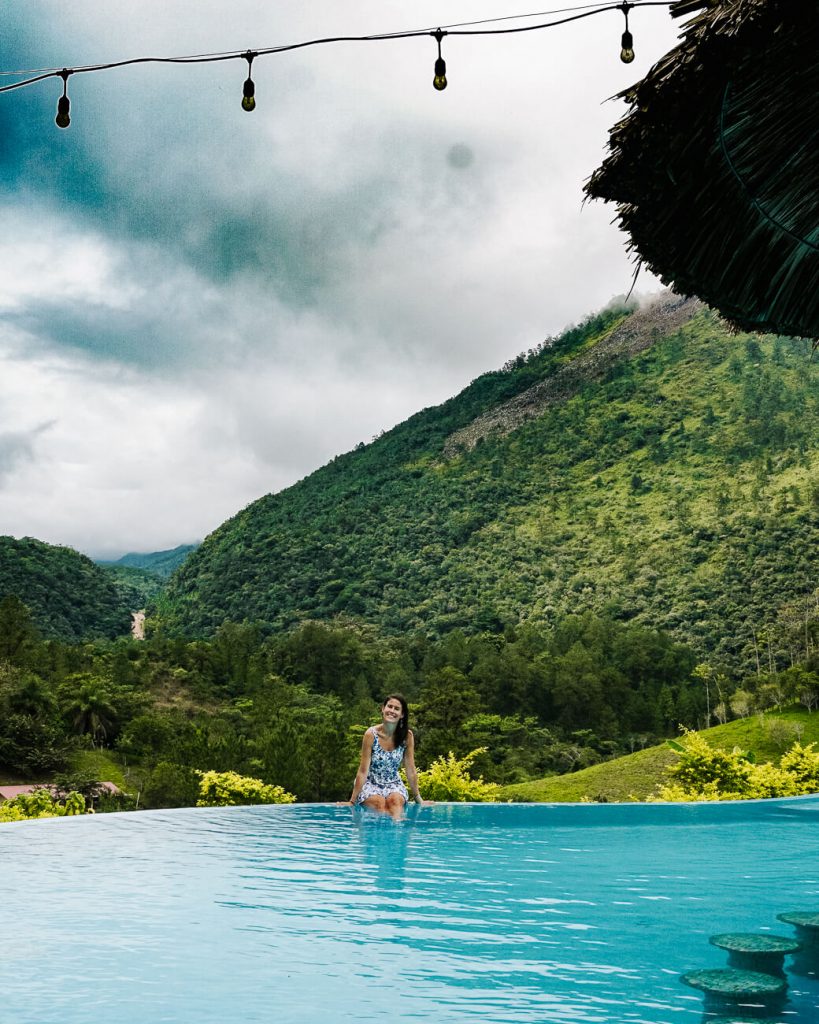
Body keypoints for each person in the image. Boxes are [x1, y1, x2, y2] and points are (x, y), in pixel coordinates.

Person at [349, 693, 423, 815]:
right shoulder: (371, 735)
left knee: (395, 802)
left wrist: (418, 798)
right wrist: (352, 801)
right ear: (383, 709)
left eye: (397, 709)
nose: (392, 711)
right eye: (389, 706)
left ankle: (399, 830)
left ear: (402, 714)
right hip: (371, 782)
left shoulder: (407, 736)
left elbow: (410, 769)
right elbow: (363, 771)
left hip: (394, 783)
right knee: (379, 804)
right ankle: (383, 833)